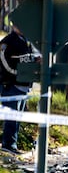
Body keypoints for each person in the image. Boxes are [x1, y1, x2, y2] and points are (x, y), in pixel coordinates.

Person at [0, 24, 39, 154]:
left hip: (24, 85)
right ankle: (8, 145)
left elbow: (27, 59)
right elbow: (4, 62)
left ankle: (13, 144)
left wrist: (36, 60)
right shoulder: (8, 42)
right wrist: (16, 74)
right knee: (11, 118)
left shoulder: (26, 41)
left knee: (17, 117)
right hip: (11, 85)